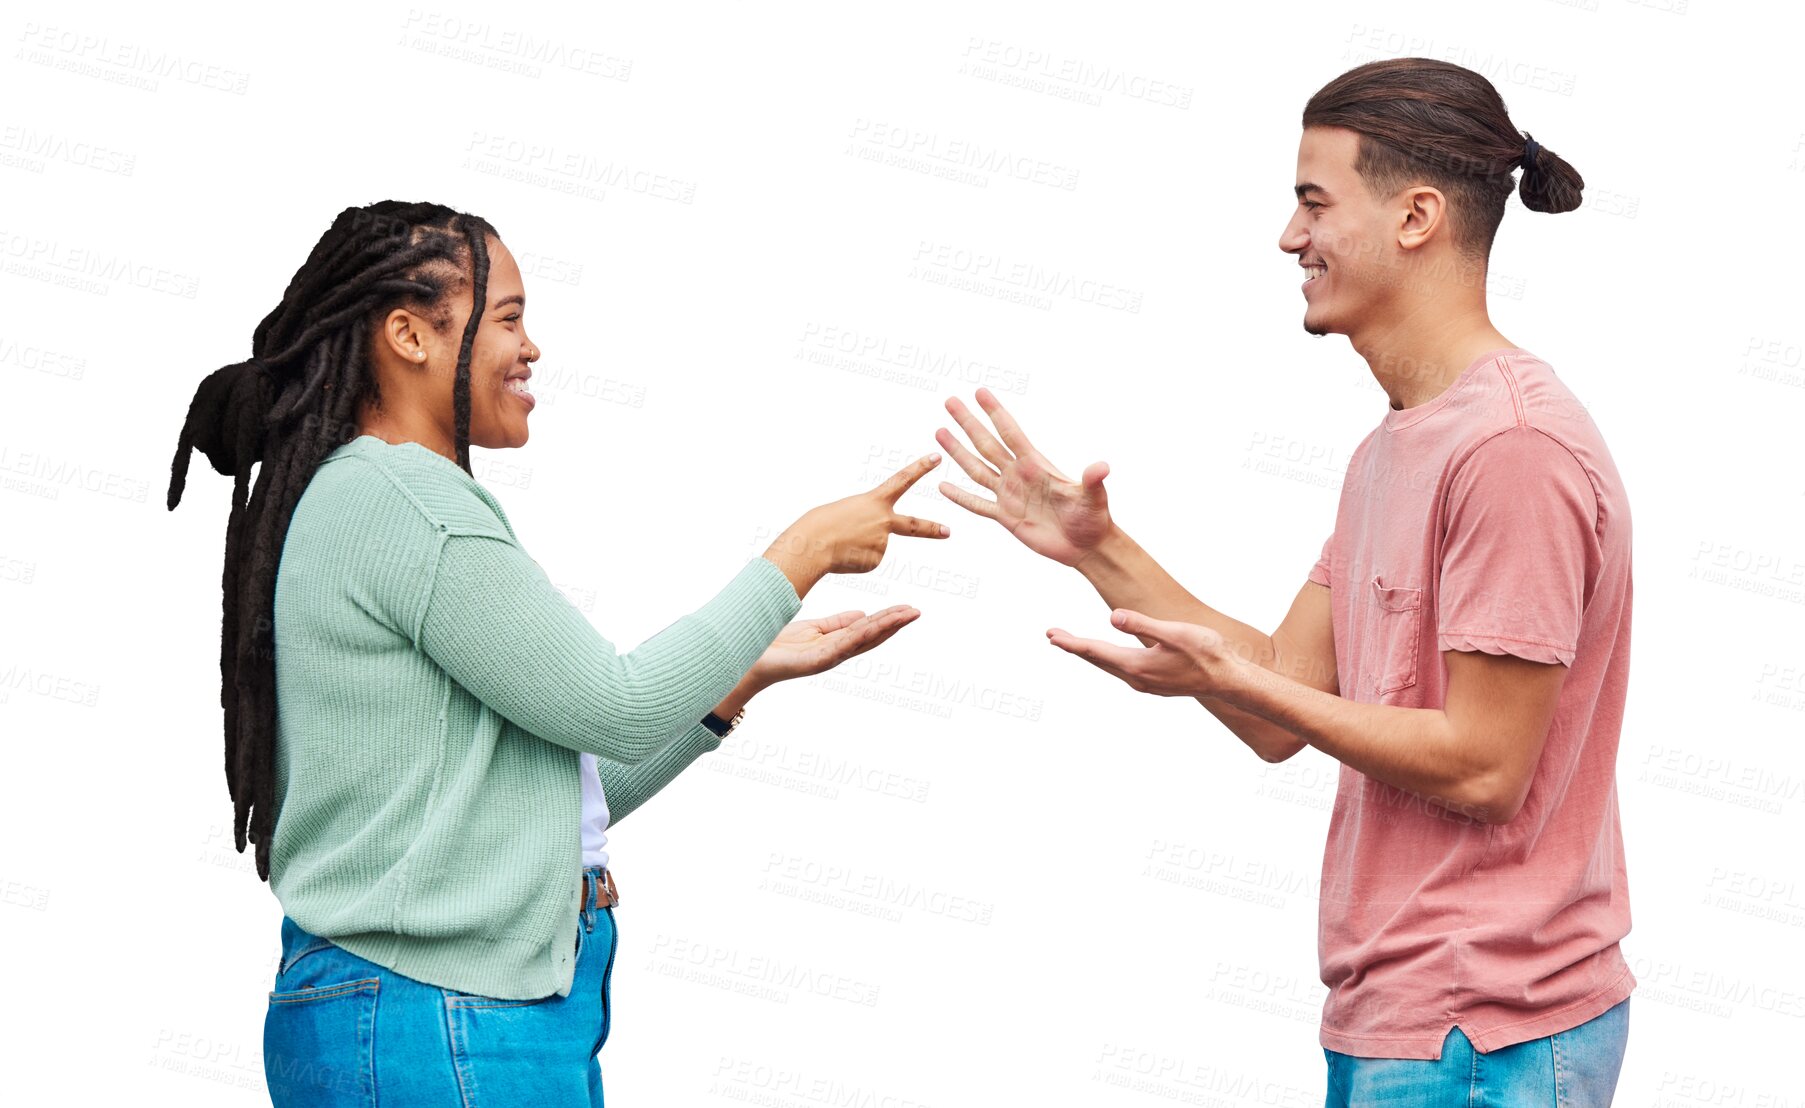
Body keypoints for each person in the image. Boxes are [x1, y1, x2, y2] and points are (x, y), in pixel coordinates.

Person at [934, 59, 1634, 1105]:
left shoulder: (1511, 451)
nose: (1286, 237)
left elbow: (1486, 766)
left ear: (1414, 217)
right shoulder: (1393, 448)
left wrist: (1258, 689)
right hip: (1402, 1022)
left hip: (1482, 1034)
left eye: (1313, 202)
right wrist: (1096, 549)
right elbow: (1278, 693)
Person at [166, 200, 951, 1105]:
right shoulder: (405, 499)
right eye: (507, 317)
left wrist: (736, 683)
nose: (530, 346)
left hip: (453, 1011)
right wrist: (800, 554)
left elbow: (536, 807)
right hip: (439, 1017)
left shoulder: (376, 498)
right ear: (410, 335)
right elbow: (612, 706)